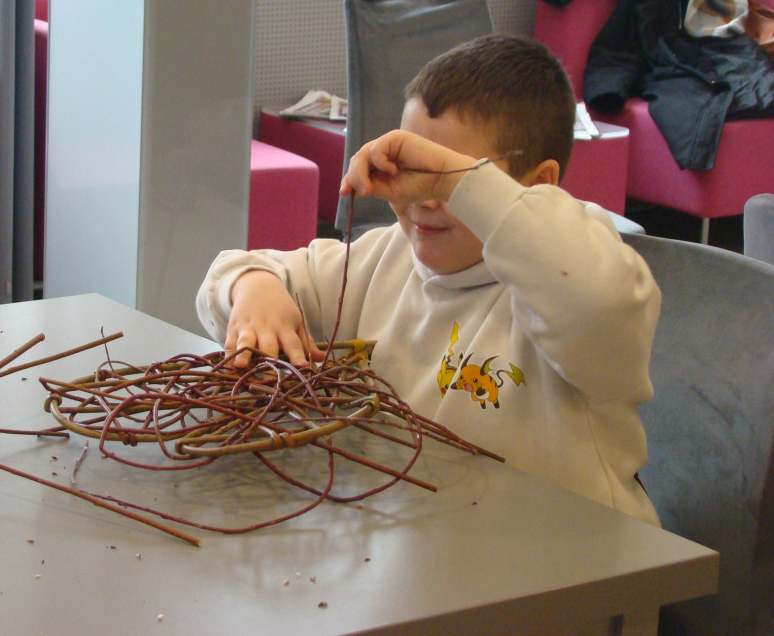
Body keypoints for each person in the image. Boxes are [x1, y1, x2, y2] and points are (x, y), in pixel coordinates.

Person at [196, 34, 660, 525]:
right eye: (413, 170)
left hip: (577, 555)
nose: (425, 199)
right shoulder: (383, 258)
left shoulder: (571, 266)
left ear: (538, 185)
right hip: (423, 539)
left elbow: (596, 301)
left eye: (452, 179)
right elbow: (233, 273)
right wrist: (254, 288)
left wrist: (459, 182)